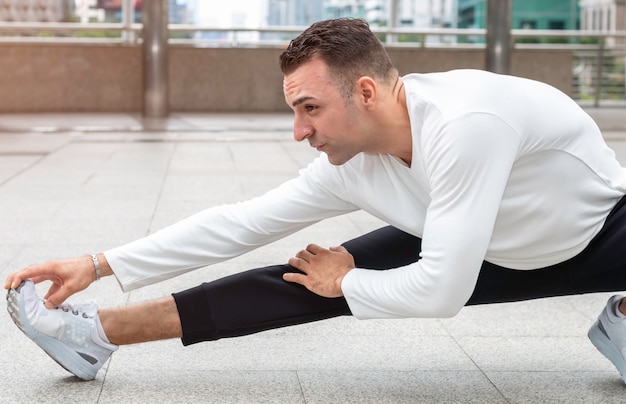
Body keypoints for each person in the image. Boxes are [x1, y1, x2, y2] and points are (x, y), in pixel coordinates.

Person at [5, 17, 626, 383]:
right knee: (305, 279)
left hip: (600, 233)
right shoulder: (351, 164)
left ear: (364, 92)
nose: (300, 131)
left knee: (340, 280)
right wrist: (96, 263)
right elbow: (238, 224)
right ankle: (94, 337)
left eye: (309, 108)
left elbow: (441, 293)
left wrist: (347, 283)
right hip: (476, 237)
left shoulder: (468, 125)